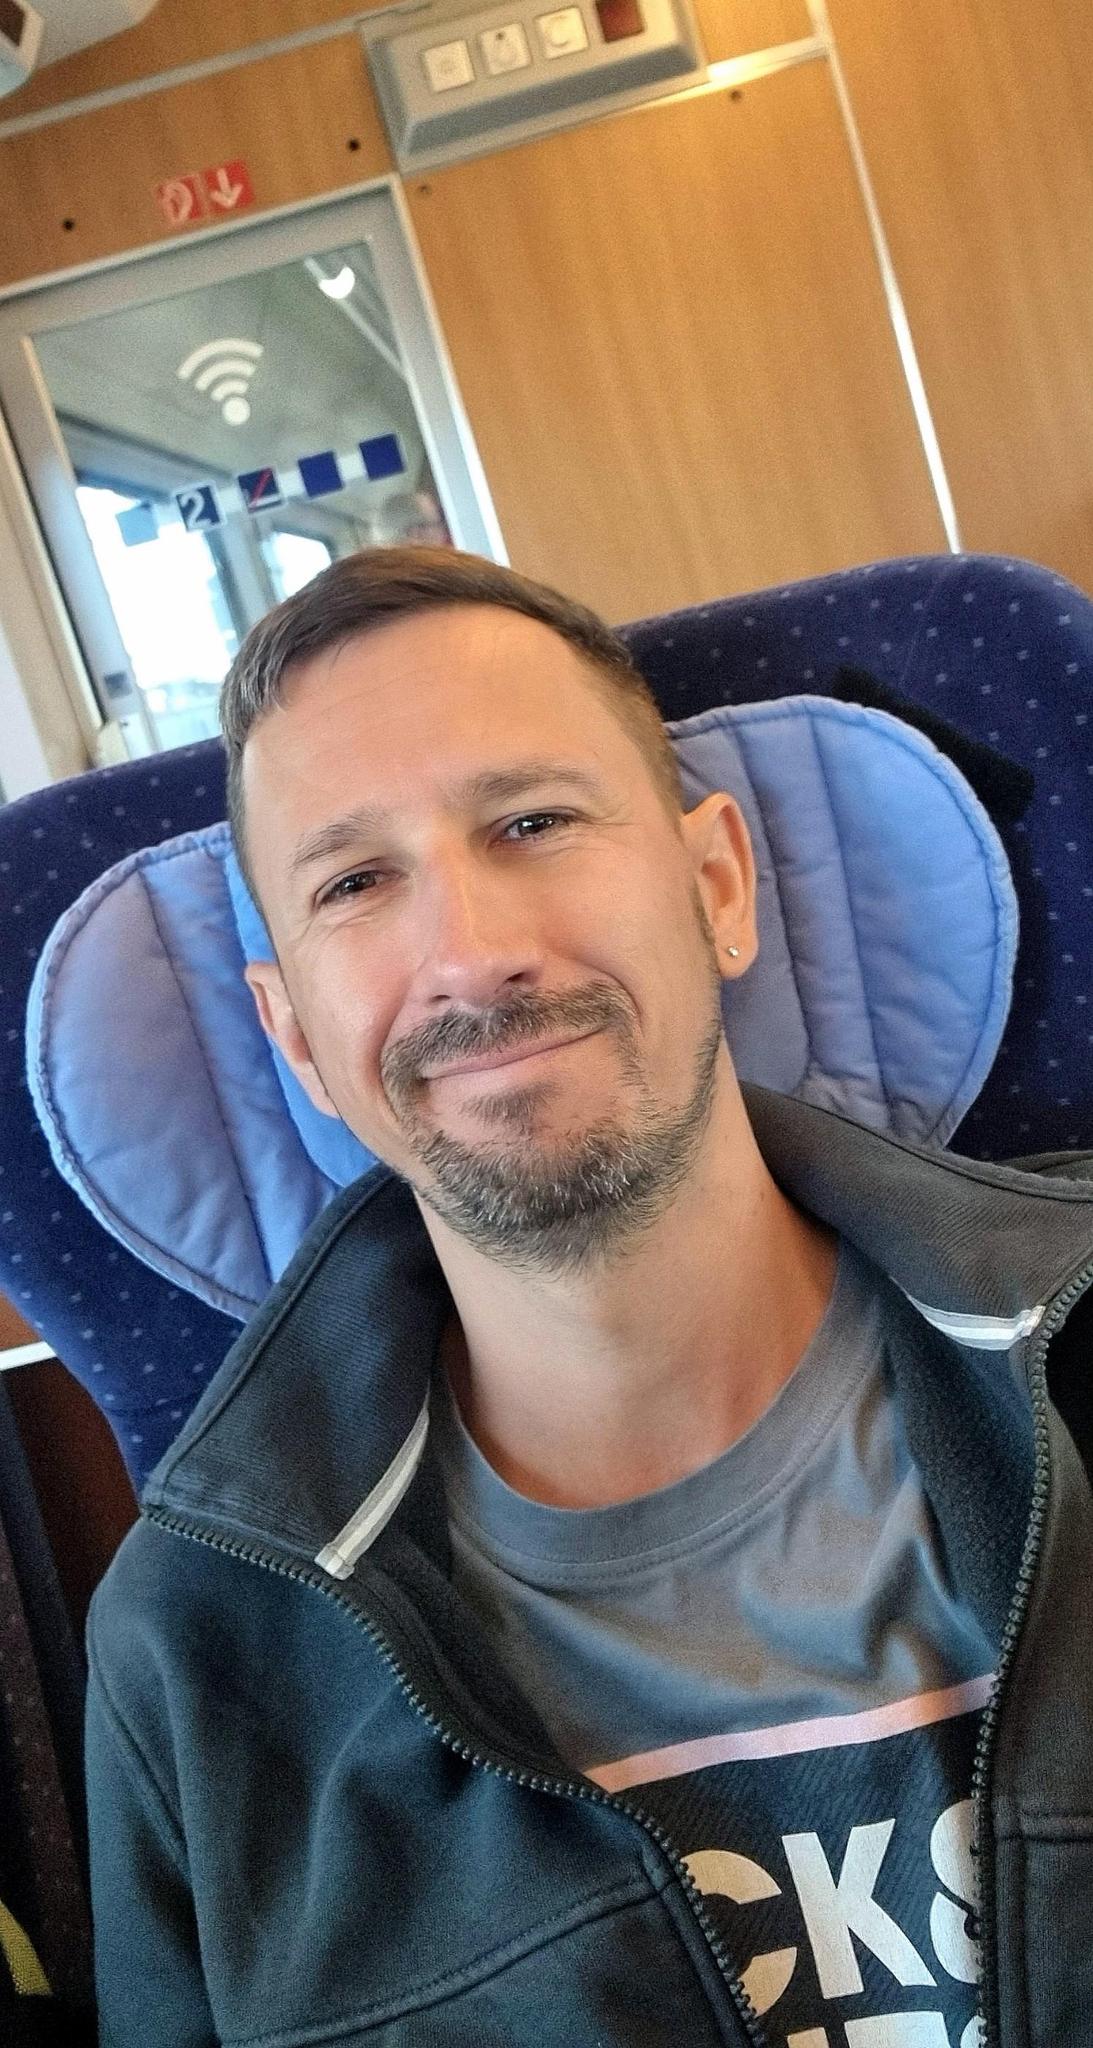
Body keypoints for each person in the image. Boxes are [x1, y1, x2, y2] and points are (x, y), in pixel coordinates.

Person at [83, 547, 1093, 2048]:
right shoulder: (194, 1652)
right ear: (296, 1039)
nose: (472, 955)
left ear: (716, 888)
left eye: (533, 821)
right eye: (355, 882)